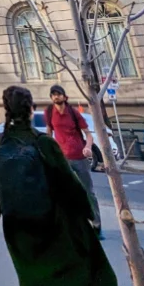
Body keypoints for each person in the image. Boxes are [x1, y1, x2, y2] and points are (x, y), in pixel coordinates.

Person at [0, 86, 116, 286]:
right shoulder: (43, 143)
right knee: (78, 274)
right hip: (51, 225)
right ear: (30, 109)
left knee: (33, 279)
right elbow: (71, 183)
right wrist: (89, 215)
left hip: (18, 232)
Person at [45, 84, 102, 239]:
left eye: (58, 94)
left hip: (79, 157)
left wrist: (88, 147)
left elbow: (88, 134)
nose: (56, 97)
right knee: (62, 193)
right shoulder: (49, 112)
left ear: (64, 96)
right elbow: (49, 133)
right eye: (53, 95)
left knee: (88, 192)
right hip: (62, 159)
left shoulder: (74, 113)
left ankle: (96, 224)